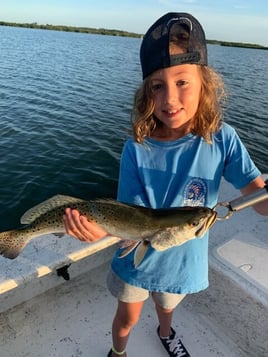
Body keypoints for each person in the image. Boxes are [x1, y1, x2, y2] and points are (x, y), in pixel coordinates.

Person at [63, 12, 268, 357]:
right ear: (146, 92)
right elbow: (126, 214)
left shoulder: (224, 140)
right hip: (135, 261)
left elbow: (259, 200)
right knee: (126, 317)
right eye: (157, 86)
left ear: (205, 82)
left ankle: (166, 333)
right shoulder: (136, 147)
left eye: (182, 82)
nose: (169, 99)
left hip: (182, 262)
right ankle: (119, 350)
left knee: (167, 309)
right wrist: (101, 231)